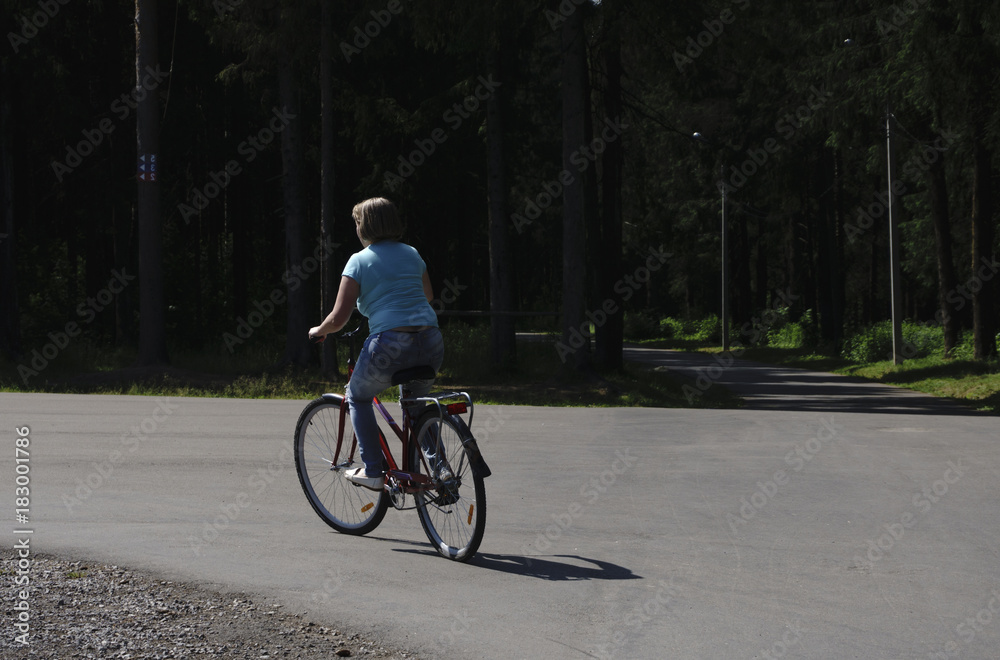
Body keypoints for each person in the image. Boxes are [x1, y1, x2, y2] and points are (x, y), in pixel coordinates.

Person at [308, 197, 443, 490]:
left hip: (389, 343)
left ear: (364, 225)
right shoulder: (412, 253)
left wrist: (319, 330)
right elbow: (427, 296)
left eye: (357, 222)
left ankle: (373, 471)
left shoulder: (359, 260)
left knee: (357, 397)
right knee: (418, 407)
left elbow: (339, 317)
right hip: (431, 339)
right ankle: (441, 472)